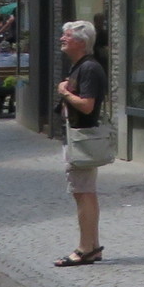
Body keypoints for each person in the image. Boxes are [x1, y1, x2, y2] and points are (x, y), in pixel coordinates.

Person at [53, 19, 109, 266]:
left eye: (67, 36)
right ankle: (92, 246)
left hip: (82, 139)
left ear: (81, 41)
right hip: (77, 137)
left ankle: (85, 248)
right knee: (83, 192)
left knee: (83, 193)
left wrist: (64, 92)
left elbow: (87, 106)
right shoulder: (81, 66)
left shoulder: (89, 68)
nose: (62, 39)